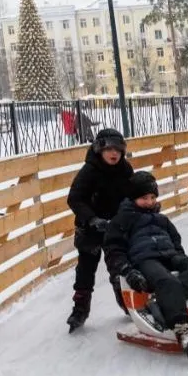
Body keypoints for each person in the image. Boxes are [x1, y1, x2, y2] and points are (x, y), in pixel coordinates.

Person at [104, 172, 188, 356]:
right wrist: (128, 271)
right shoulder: (122, 220)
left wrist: (179, 258)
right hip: (145, 260)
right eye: (144, 198)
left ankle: (163, 298)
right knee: (168, 282)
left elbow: (175, 239)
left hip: (169, 256)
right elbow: (113, 250)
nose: (149, 202)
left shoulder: (162, 219)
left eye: (153, 197)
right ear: (132, 198)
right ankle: (182, 331)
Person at [65, 128, 134, 332]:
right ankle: (80, 309)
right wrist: (92, 219)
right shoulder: (89, 171)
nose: (114, 154)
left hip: (114, 229)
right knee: (85, 271)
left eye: (118, 149)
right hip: (90, 230)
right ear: (99, 150)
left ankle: (127, 304)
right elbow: (74, 198)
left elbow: (132, 193)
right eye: (109, 149)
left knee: (119, 268)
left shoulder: (125, 170)